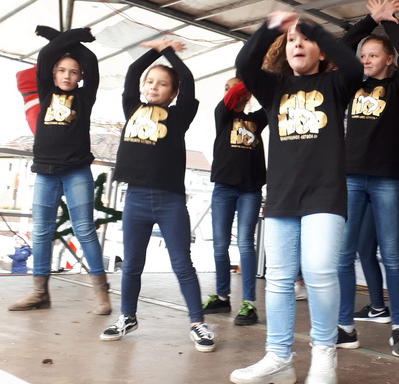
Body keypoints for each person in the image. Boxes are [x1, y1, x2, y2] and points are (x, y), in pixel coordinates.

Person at [230, 12, 362, 384]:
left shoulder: (336, 83)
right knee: (278, 279)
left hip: (325, 195)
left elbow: (354, 66)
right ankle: (278, 357)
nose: (298, 44)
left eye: (306, 39)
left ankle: (324, 356)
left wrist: (313, 27)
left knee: (319, 271)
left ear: (321, 51)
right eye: (291, 40)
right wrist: (270, 27)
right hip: (282, 197)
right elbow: (244, 64)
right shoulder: (274, 88)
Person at [99, 38, 215, 353]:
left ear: (173, 93)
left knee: (182, 263)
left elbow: (187, 79)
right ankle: (127, 317)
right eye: (150, 81)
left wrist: (168, 52)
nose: (153, 86)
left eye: (162, 84)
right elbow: (132, 73)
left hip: (170, 201)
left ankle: (197, 322)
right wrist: (153, 50)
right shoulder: (132, 107)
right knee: (131, 264)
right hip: (135, 199)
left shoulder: (179, 115)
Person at [9, 26, 111, 315]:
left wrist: (70, 37)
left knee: (85, 230)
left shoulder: (85, 97)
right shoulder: (45, 91)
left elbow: (90, 61)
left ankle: (101, 292)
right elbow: (45, 57)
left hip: (76, 171)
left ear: (80, 77)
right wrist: (58, 37)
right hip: (45, 172)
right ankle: (40, 292)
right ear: (52, 74)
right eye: (62, 70)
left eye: (73, 72)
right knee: (41, 231)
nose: (67, 76)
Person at [336, 0, 399, 358]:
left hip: (386, 179)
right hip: (352, 178)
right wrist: (370, 20)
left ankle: (398, 328)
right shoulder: (351, 85)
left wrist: (390, 22)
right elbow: (340, 49)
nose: (365, 60)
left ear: (389, 60)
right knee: (344, 255)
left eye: (373, 55)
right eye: (363, 55)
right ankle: (345, 327)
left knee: (393, 255)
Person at [353, 89, 399, 326]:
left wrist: (398, 84)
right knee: (365, 248)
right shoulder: (370, 121)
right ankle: (377, 307)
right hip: (371, 191)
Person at [203, 76, 267, 327]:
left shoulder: (256, 120)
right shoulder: (222, 114)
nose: (231, 92)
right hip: (224, 188)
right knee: (220, 245)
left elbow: (273, 101)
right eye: (226, 88)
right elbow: (232, 97)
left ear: (248, 95)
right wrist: (248, 80)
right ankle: (222, 297)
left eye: (236, 87)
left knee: (245, 243)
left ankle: (249, 303)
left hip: (250, 190)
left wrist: (257, 82)